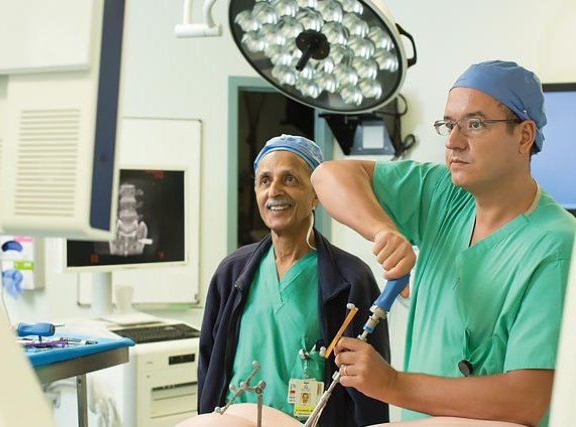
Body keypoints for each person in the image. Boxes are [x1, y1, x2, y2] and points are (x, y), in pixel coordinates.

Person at [310, 60, 576, 427]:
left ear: (524, 135)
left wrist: (391, 384)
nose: (453, 141)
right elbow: (328, 176)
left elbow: (526, 399)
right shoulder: (444, 195)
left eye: (475, 124)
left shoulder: (557, 245)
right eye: (449, 124)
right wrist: (382, 230)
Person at [197, 134, 391, 426]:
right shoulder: (232, 274)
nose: (274, 191)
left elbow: (372, 389)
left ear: (316, 195)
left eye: (289, 179)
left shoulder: (351, 280)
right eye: (264, 181)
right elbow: (208, 367)